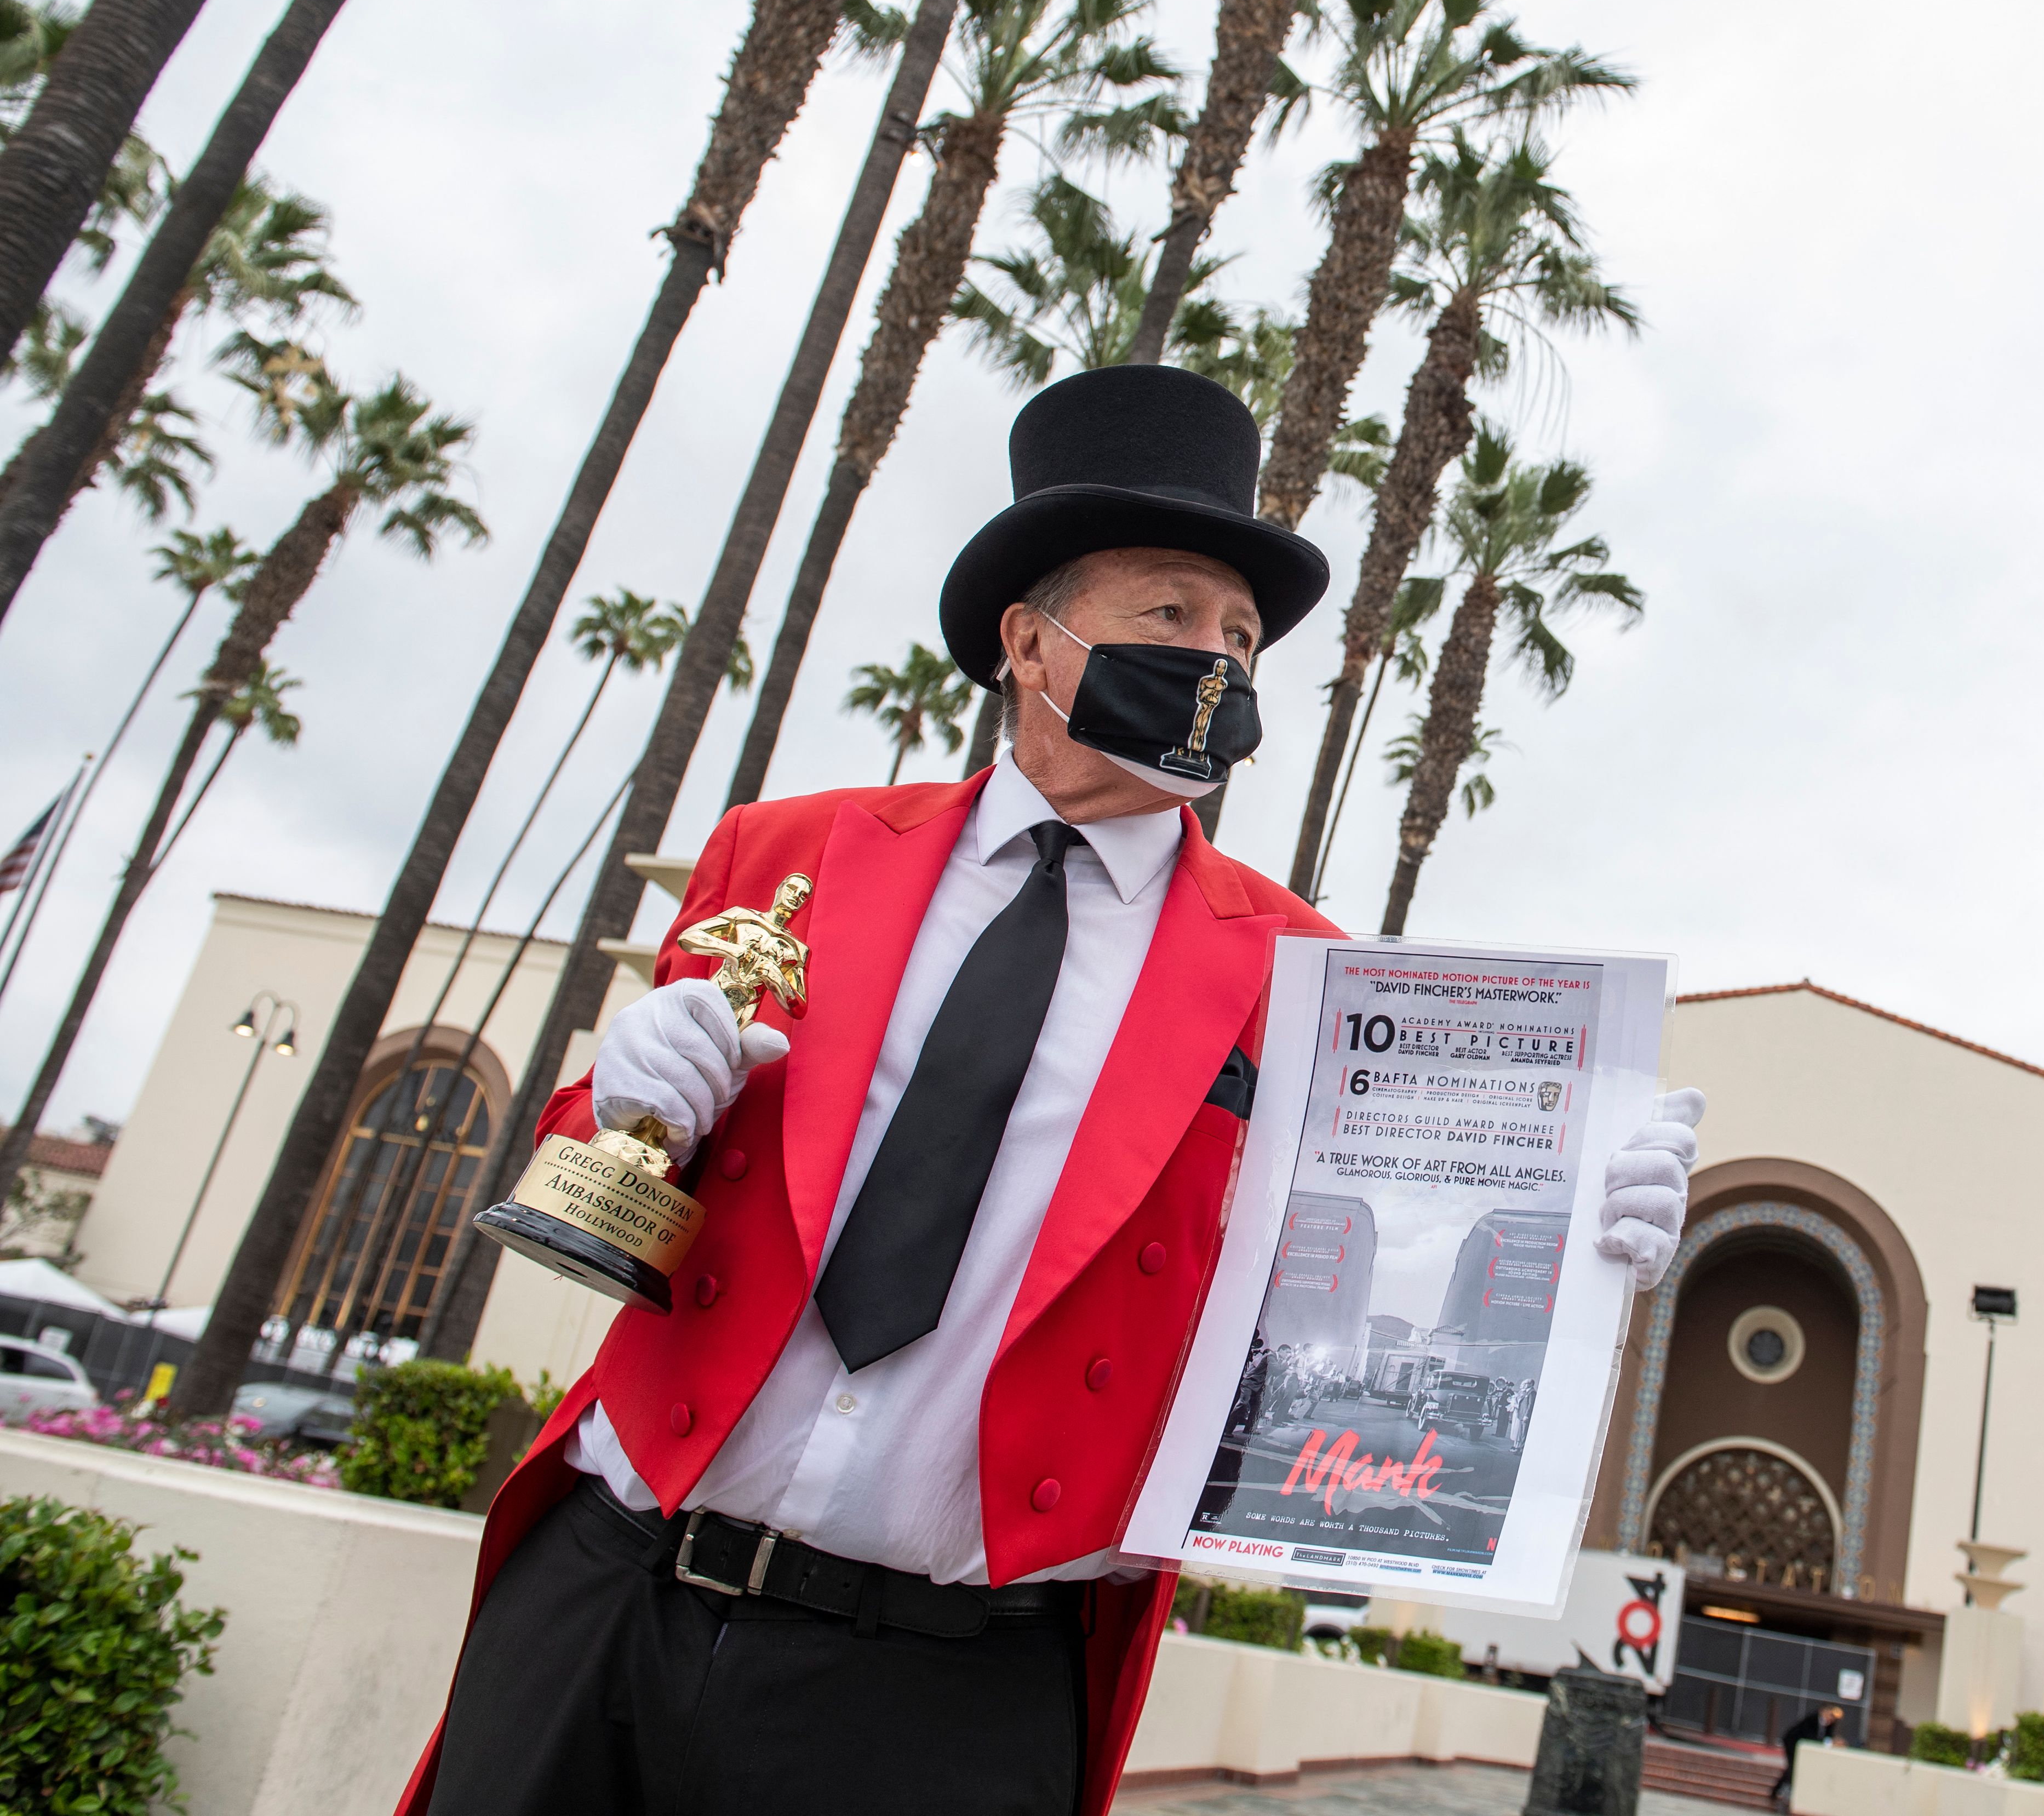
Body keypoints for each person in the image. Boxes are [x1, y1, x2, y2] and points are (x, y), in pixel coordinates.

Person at [399, 367, 1703, 1816]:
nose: (1218, 658)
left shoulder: (1307, 979)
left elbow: (1362, 1259)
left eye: (1243, 636)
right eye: (1172, 617)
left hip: (949, 1697)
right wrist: (624, 1099)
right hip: (614, 1597)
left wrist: (1569, 1232)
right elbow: (609, 1173)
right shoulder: (789, 853)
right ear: (1032, 641)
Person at [1773, 1703, 1846, 1806]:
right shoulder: (1812, 1720)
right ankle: (1779, 1792)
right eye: (1831, 1716)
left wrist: (1834, 1742)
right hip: (1793, 1743)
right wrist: (1830, 1743)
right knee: (1793, 1767)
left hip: (1803, 1748)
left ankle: (1780, 1791)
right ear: (1824, 1712)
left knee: (1794, 1768)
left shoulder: (1830, 1725)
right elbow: (1811, 1738)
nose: (1832, 1719)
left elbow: (1828, 1738)